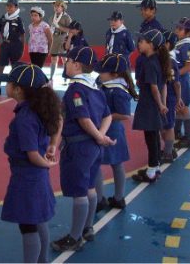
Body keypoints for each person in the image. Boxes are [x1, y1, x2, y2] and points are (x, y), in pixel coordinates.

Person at [51, 46, 115, 252]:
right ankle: (88, 227)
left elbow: (82, 117)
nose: (65, 63)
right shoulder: (96, 89)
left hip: (79, 147)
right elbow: (108, 115)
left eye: (67, 61)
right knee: (89, 187)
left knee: (79, 191)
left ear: (77, 65)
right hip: (94, 147)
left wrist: (97, 136)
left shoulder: (76, 90)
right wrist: (102, 136)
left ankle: (75, 236)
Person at [1, 64, 62, 263]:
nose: (6, 85)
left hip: (26, 178)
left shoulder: (24, 118)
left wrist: (46, 163)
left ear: (18, 89)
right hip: (37, 177)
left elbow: (32, 154)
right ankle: (42, 260)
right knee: (38, 220)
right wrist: (52, 145)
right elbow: (59, 121)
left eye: (10, 83)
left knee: (28, 226)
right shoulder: (39, 110)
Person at [94, 53, 134, 212]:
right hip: (105, 128)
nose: (99, 74)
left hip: (112, 131)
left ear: (114, 74)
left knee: (109, 164)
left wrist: (104, 116)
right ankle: (103, 197)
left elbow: (124, 114)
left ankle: (114, 197)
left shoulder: (117, 91)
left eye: (102, 72)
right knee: (104, 164)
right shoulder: (107, 85)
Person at [131, 29, 169, 184]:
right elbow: (164, 85)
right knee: (153, 136)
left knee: (151, 138)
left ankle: (152, 170)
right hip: (154, 104)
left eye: (142, 41)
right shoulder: (158, 61)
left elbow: (154, 87)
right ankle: (155, 166)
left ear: (151, 44)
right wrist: (163, 103)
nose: (139, 44)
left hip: (150, 104)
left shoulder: (150, 63)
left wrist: (160, 104)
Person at [0, 0, 25, 96]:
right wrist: (4, 40)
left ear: (16, 7)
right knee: (1, 66)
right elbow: (0, 30)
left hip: (15, 45)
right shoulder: (3, 18)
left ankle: (14, 88)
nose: (9, 8)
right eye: (7, 6)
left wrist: (22, 47)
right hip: (5, 45)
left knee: (15, 67)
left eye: (11, 6)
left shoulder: (18, 20)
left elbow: (22, 34)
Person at [174, 18, 190, 149]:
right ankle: (177, 132)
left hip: (183, 82)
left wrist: (174, 75)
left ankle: (189, 138)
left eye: (180, 29)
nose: (176, 31)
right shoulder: (180, 44)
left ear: (188, 32)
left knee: (184, 109)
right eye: (177, 28)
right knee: (178, 109)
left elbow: (188, 67)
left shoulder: (187, 46)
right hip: (178, 81)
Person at [161, 31, 182, 163]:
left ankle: (168, 152)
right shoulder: (163, 59)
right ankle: (170, 148)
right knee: (164, 125)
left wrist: (178, 98)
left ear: (168, 44)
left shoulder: (170, 61)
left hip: (169, 97)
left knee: (168, 125)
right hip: (166, 96)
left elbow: (176, 83)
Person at [49, 0, 72, 81]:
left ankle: (66, 75)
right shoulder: (52, 17)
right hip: (54, 38)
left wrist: (58, 26)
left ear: (62, 7)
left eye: (58, 6)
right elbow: (50, 28)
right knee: (53, 58)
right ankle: (51, 76)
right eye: (55, 6)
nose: (56, 8)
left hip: (63, 38)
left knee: (64, 58)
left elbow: (70, 30)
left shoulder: (66, 17)